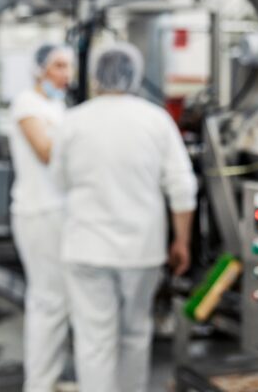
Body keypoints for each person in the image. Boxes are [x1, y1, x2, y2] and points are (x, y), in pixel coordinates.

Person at [51, 42, 197, 392]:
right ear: (135, 75)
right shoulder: (156, 120)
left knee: (94, 340)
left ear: (96, 77)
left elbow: (59, 181)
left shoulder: (73, 121)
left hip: (86, 248)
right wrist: (182, 241)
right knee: (135, 334)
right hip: (141, 251)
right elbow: (182, 187)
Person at [8, 43, 74, 392]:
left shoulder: (56, 106)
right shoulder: (26, 104)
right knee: (47, 301)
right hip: (37, 213)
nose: (65, 74)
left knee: (59, 300)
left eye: (68, 67)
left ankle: (50, 378)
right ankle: (39, 384)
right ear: (39, 69)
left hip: (58, 212)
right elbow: (46, 151)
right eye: (58, 66)